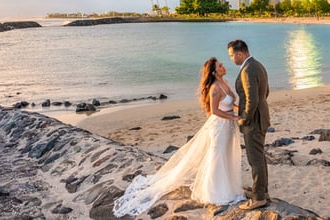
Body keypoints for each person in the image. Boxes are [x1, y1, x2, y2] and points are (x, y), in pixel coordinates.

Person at [113, 57, 245, 217]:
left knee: (227, 155)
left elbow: (230, 104)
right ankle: (216, 192)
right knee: (217, 157)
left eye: (222, 64)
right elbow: (215, 110)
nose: (223, 66)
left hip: (228, 125)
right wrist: (234, 118)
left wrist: (240, 110)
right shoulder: (215, 88)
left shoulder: (225, 83)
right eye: (220, 66)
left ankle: (228, 187)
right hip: (220, 126)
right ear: (214, 72)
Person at [227, 39, 270, 211]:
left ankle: (259, 198)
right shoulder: (257, 65)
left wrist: (244, 118)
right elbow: (265, 92)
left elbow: (252, 99)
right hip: (261, 116)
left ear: (239, 53)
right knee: (260, 157)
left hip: (254, 121)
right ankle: (262, 192)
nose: (231, 59)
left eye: (231, 55)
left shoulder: (247, 70)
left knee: (255, 159)